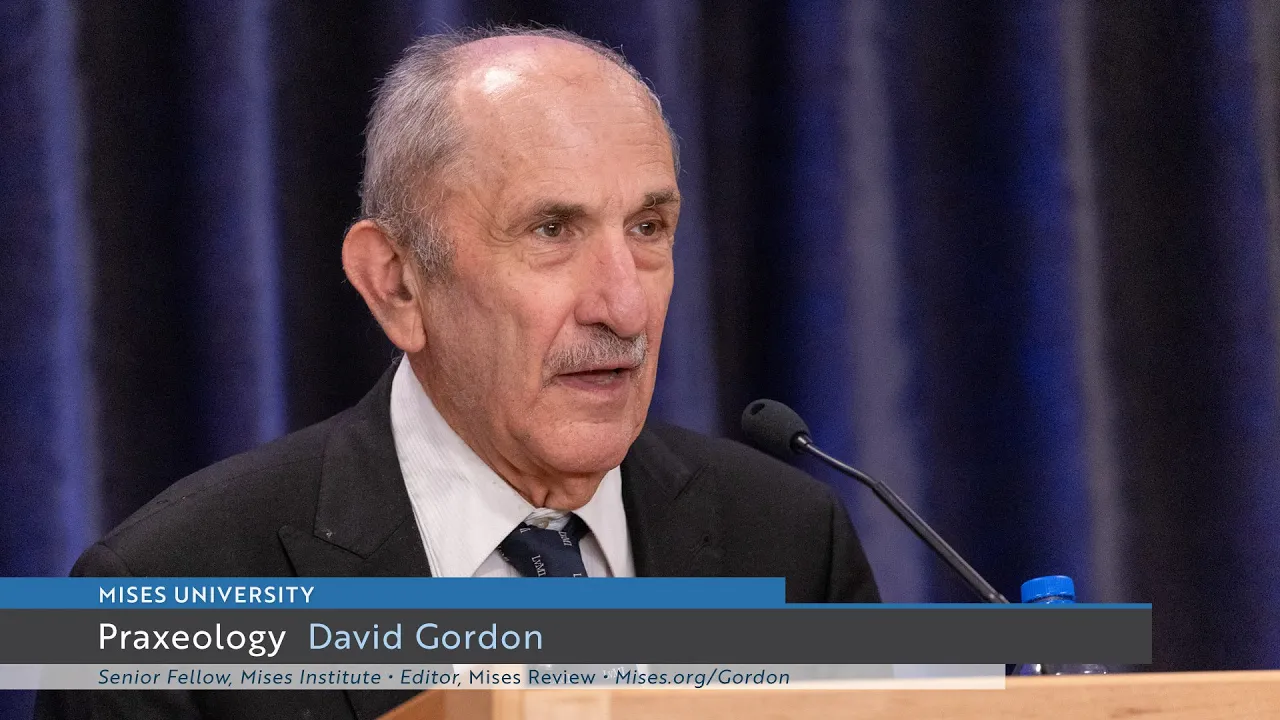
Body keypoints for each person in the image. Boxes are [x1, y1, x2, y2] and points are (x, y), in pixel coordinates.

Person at [35, 25, 878, 720]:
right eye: (552, 231)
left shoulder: (790, 543)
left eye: (648, 228)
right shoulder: (163, 596)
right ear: (397, 284)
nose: (625, 306)